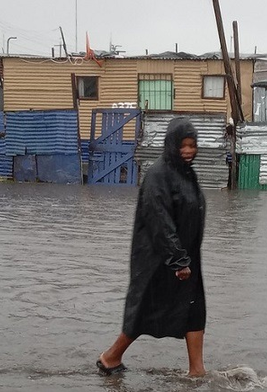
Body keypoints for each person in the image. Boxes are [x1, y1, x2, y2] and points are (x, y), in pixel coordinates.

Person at [97, 117, 207, 377]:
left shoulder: (187, 174)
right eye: (183, 145)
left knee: (195, 310)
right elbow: (159, 220)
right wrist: (177, 260)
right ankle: (110, 357)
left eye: (193, 145)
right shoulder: (158, 175)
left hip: (187, 258)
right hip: (159, 260)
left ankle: (197, 371)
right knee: (145, 311)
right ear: (172, 145)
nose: (189, 150)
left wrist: (186, 258)